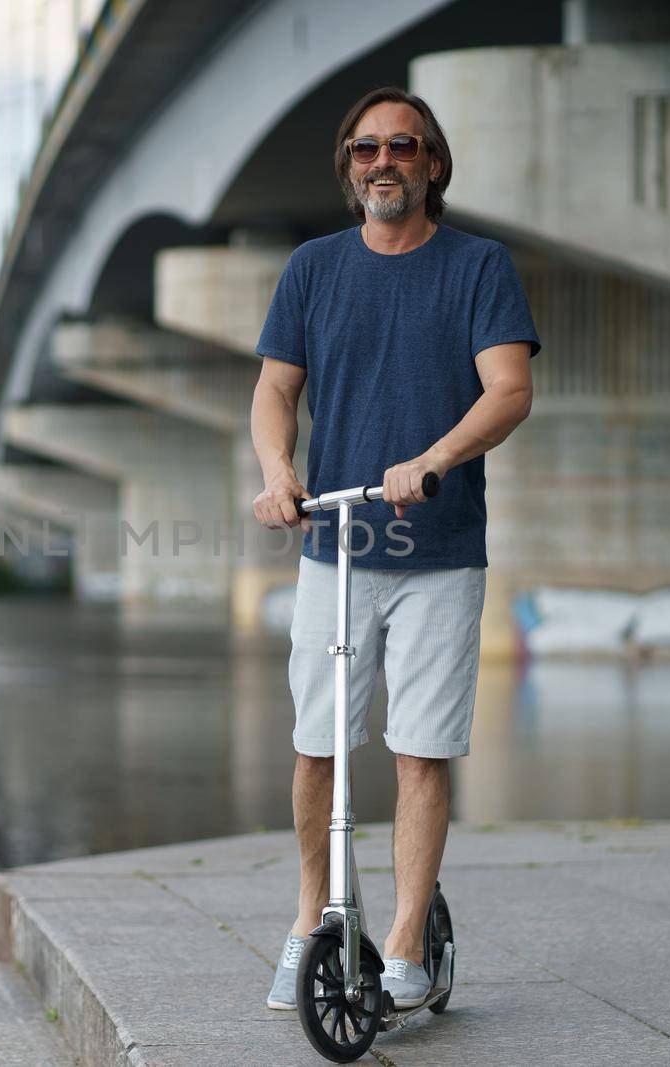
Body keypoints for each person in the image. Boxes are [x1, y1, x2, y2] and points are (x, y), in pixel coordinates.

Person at [250, 86, 540, 1012]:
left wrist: (434, 458)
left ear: (433, 164)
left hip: (440, 553)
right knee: (315, 747)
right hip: (333, 547)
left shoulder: (478, 266)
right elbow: (273, 390)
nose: (384, 163)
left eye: (402, 148)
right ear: (350, 167)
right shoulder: (313, 268)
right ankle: (309, 921)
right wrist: (275, 468)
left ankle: (407, 939)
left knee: (419, 751)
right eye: (367, 150)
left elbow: (508, 390)